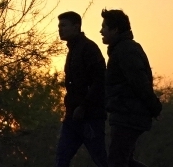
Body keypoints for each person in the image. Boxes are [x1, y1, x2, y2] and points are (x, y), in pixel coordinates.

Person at [100, 9, 161, 167]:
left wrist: (154, 106)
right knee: (124, 160)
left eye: (104, 27)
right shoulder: (123, 49)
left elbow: (139, 82)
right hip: (126, 114)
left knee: (117, 161)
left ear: (115, 30)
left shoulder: (125, 50)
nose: (101, 31)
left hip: (128, 115)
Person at [55, 11, 108, 167]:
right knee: (61, 159)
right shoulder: (73, 50)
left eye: (63, 25)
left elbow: (99, 82)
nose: (60, 29)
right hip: (73, 117)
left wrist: (84, 106)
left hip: (90, 118)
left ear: (76, 27)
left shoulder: (88, 49)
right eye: (59, 26)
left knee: (101, 160)